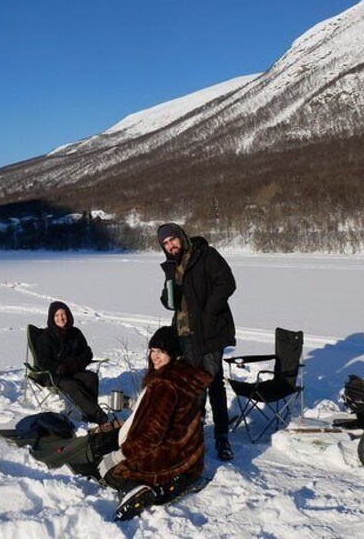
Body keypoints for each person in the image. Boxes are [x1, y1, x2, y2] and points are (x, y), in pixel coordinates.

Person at [95, 326, 212, 518]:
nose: (155, 357)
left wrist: (117, 457)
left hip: (170, 455)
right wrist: (132, 404)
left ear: (173, 353)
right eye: (153, 351)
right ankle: (182, 479)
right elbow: (161, 413)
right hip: (188, 454)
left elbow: (150, 436)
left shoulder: (164, 384)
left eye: (162, 352)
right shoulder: (183, 375)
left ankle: (151, 490)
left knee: (113, 472)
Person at [157, 222, 237, 461]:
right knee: (192, 385)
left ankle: (222, 438)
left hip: (210, 331)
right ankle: (194, 433)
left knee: (212, 383)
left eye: (172, 239)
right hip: (185, 335)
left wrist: (208, 312)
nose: (171, 245)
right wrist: (167, 294)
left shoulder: (205, 254)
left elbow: (227, 282)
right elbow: (168, 300)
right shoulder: (172, 266)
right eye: (165, 243)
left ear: (181, 236)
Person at [35, 301, 108, 424]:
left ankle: (89, 416)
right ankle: (97, 415)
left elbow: (87, 353)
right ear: (52, 318)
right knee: (73, 384)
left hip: (72, 371)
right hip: (53, 374)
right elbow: (42, 360)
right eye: (56, 315)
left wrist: (75, 363)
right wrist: (59, 367)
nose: (60, 318)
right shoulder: (46, 336)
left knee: (91, 377)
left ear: (68, 315)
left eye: (63, 314)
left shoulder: (75, 333)